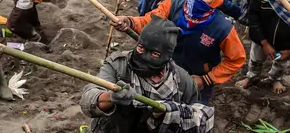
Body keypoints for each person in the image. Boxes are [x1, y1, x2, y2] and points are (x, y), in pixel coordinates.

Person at [113, 0, 246, 103]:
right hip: (164, 70)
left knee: (190, 115)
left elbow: (236, 59)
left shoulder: (222, 27)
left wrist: (207, 79)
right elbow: (149, 23)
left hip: (196, 79)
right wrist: (129, 21)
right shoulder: (173, 5)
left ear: (216, 0)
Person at [80, 16, 215, 133]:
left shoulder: (183, 81)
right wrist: (111, 97)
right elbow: (88, 99)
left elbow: (195, 117)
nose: (143, 56)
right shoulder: (118, 66)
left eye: (154, 54)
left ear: (167, 57)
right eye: (141, 48)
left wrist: (172, 112)